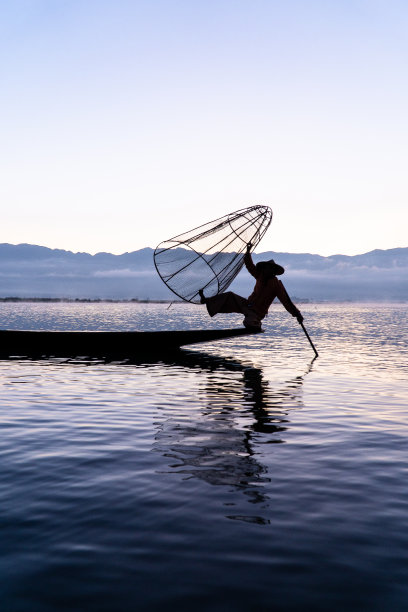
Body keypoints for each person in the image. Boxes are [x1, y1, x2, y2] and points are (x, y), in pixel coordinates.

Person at [199, 243, 303, 330]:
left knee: (249, 323)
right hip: (247, 304)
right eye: (265, 268)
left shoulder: (276, 285)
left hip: (257, 312)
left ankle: (255, 323)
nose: (266, 270)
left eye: (269, 268)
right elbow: (250, 266)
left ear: (273, 271)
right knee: (229, 296)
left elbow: (286, 302)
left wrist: (297, 315)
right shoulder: (260, 275)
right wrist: (248, 251)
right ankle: (206, 300)